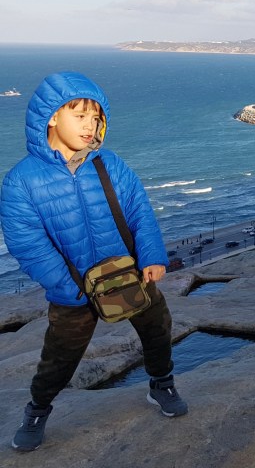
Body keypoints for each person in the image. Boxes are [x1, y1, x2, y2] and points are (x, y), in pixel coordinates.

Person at [0, 72, 187, 452]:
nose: (90, 126)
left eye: (95, 117)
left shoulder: (109, 164)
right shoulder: (21, 181)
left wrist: (151, 256)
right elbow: (28, 244)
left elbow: (139, 211)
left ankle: (161, 384)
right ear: (52, 117)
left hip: (130, 274)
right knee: (59, 358)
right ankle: (37, 410)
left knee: (157, 328)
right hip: (74, 287)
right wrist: (68, 288)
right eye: (79, 115)